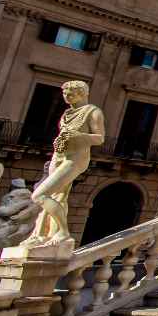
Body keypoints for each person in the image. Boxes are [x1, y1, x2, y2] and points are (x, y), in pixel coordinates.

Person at [23, 81, 105, 249]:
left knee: (39, 195)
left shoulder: (93, 111)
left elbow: (100, 138)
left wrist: (78, 136)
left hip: (75, 158)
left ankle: (63, 232)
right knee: (56, 196)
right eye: (65, 93)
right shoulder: (67, 113)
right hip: (59, 155)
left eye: (71, 94)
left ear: (82, 94)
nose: (66, 97)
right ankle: (41, 234)